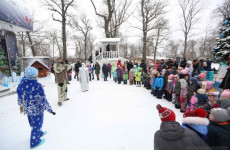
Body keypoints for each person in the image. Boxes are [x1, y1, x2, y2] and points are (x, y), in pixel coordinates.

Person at [17, 67, 56, 149]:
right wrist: (49, 109)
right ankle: (35, 142)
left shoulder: (21, 84)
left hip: (28, 109)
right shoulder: (37, 86)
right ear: (35, 76)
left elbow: (19, 97)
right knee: (37, 124)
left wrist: (20, 103)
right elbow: (42, 100)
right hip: (37, 110)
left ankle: (38, 133)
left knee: (32, 123)